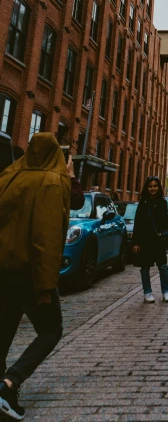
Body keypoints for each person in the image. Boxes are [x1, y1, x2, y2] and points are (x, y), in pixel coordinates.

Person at [0, 133, 72, 421]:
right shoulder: (52, 182)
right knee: (51, 330)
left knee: (3, 332)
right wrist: (46, 285)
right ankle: (9, 384)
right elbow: (47, 239)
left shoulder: (8, 176)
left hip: (3, 269)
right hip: (28, 272)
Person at [132, 177, 168, 304]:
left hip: (159, 239)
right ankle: (147, 292)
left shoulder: (163, 203)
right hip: (145, 239)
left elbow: (166, 222)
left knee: (163, 266)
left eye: (155, 186)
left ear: (159, 187)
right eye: (150, 186)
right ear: (146, 188)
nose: (153, 188)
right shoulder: (143, 203)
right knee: (145, 267)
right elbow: (137, 223)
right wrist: (135, 242)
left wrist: (167, 237)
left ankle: (166, 291)